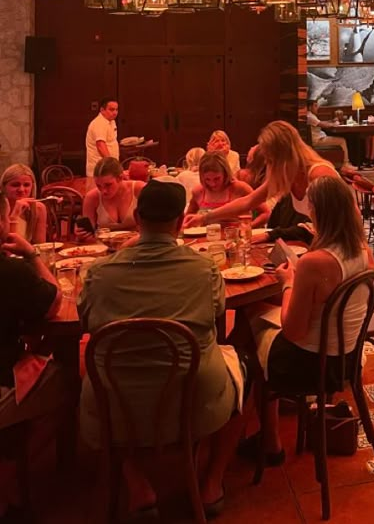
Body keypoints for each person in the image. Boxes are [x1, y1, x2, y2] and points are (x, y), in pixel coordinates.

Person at [78, 180, 247, 518]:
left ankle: (137, 483)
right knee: (244, 368)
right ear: (182, 222)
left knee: (95, 375)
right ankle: (211, 481)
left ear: (137, 218)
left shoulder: (98, 273)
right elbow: (217, 323)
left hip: (114, 400)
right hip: (193, 396)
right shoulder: (204, 269)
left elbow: (86, 324)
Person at [246, 175, 374, 461]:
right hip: (348, 357)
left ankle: (270, 440)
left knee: (246, 332)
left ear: (318, 211)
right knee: (257, 320)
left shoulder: (314, 263)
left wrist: (288, 282)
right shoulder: (365, 253)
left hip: (310, 364)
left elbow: (292, 332)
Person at [0, 188, 67, 519]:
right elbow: (55, 304)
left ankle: (10, 449)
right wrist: (32, 256)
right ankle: (7, 481)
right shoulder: (11, 272)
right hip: (1, 384)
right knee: (70, 384)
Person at [184, 121, 339, 229]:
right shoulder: (288, 173)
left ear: (283, 154)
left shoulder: (319, 174)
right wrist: (204, 218)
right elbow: (248, 201)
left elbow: (344, 223)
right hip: (322, 242)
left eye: (270, 159)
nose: (268, 164)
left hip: (343, 247)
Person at [78, 157, 144, 237]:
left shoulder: (139, 189)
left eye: (108, 185)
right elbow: (89, 236)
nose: (103, 191)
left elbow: (154, 227)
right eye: (98, 186)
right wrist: (82, 235)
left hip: (136, 243)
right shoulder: (92, 197)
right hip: (104, 245)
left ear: (120, 178)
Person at [187, 152, 252, 218]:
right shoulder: (198, 191)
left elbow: (263, 213)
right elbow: (188, 218)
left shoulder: (241, 188)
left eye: (217, 179)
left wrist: (250, 226)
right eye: (207, 179)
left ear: (225, 173)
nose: (212, 184)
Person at [0, 164, 47, 244]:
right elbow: (7, 248)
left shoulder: (38, 208)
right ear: (3, 186)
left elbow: (40, 245)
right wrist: (14, 216)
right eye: (15, 185)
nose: (21, 189)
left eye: (26, 185)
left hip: (28, 255)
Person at [306, 98, 351, 168]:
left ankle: (344, 163)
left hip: (319, 138)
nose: (317, 108)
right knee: (342, 141)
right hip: (317, 141)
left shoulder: (310, 115)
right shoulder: (309, 116)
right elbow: (323, 125)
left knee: (341, 140)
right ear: (309, 107)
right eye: (315, 106)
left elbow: (321, 122)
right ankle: (346, 164)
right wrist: (334, 124)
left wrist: (331, 121)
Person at [85, 98, 119, 177]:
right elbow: (100, 145)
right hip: (100, 169)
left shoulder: (111, 121)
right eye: (111, 109)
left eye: (116, 110)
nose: (115, 112)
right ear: (102, 110)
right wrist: (112, 165)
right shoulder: (99, 123)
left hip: (107, 168)